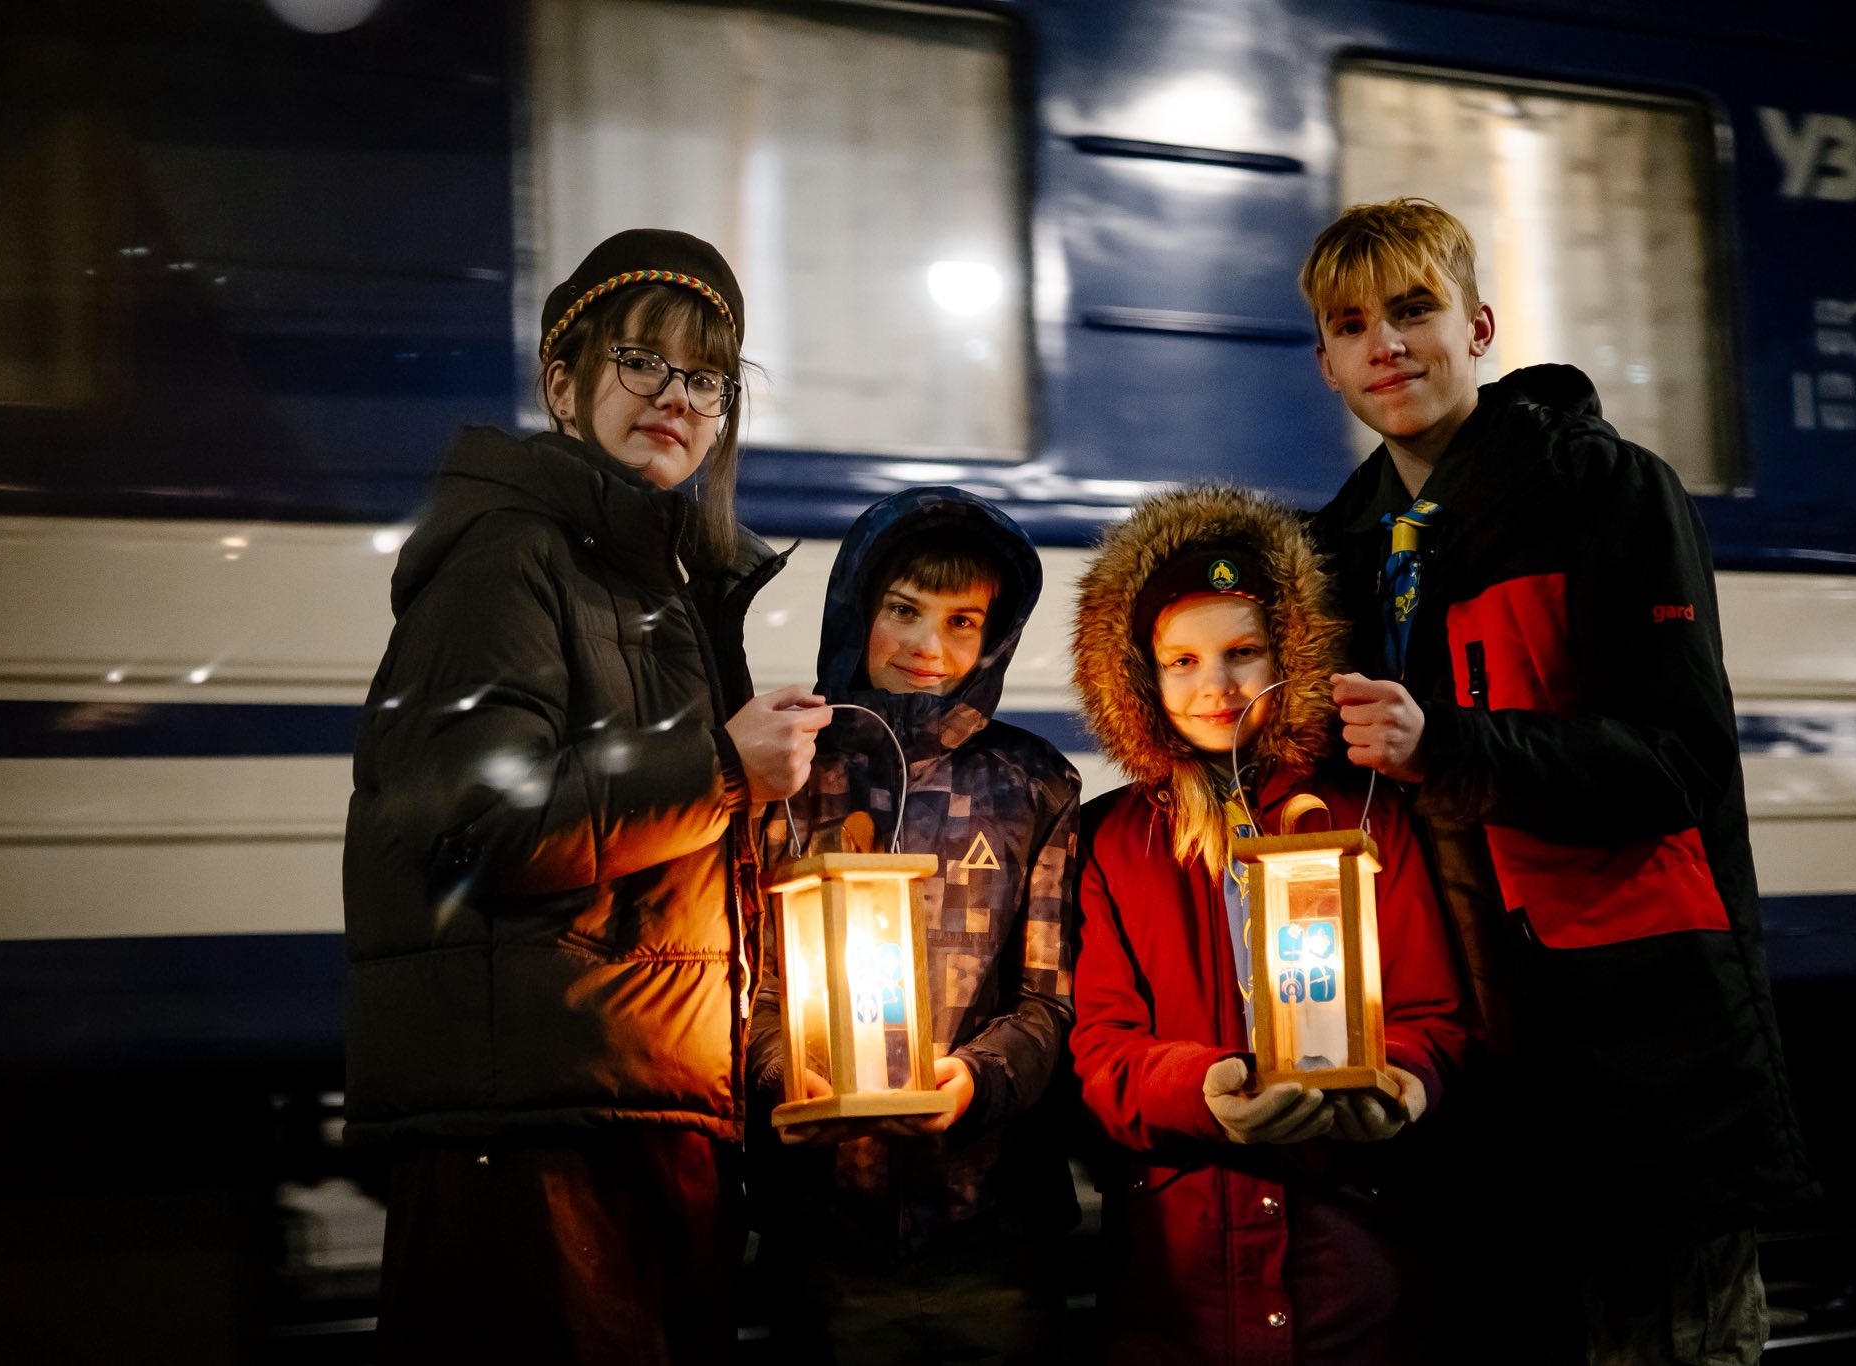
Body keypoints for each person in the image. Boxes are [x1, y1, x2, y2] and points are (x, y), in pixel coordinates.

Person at [1301, 197, 1819, 1364]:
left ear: (1476, 327)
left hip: (1637, 1050)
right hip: (1466, 1070)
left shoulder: (1606, 490)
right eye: (1350, 324)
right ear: (1324, 363)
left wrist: (1448, 747)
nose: (1386, 344)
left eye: (1413, 310)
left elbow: (1676, 762)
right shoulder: (1331, 554)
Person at [342, 228, 831, 1363]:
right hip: (537, 1142)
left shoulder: (657, 578)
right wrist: (724, 770)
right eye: (642, 362)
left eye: (707, 378)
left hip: (640, 1110)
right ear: (563, 385)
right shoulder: (507, 556)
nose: (677, 398)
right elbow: (477, 827)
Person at [1067, 483, 1467, 1365]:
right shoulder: (1114, 844)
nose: (1216, 687)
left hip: (1351, 1282)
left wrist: (1402, 1083)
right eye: (1181, 660)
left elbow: (1430, 1013)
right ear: (1138, 676)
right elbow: (1101, 1049)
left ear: (1292, 651)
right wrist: (1203, 1086)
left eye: (1243, 652)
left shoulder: (1365, 815)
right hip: (1183, 1289)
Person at [746, 487, 1081, 1364]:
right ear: (857, 610)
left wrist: (973, 1081)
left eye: (963, 621)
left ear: (994, 637)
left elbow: (1048, 1000)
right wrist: (786, 1077)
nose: (930, 647)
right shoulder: (783, 780)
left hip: (997, 1234)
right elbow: (751, 988)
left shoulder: (1034, 785)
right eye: (904, 610)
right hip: (823, 1236)